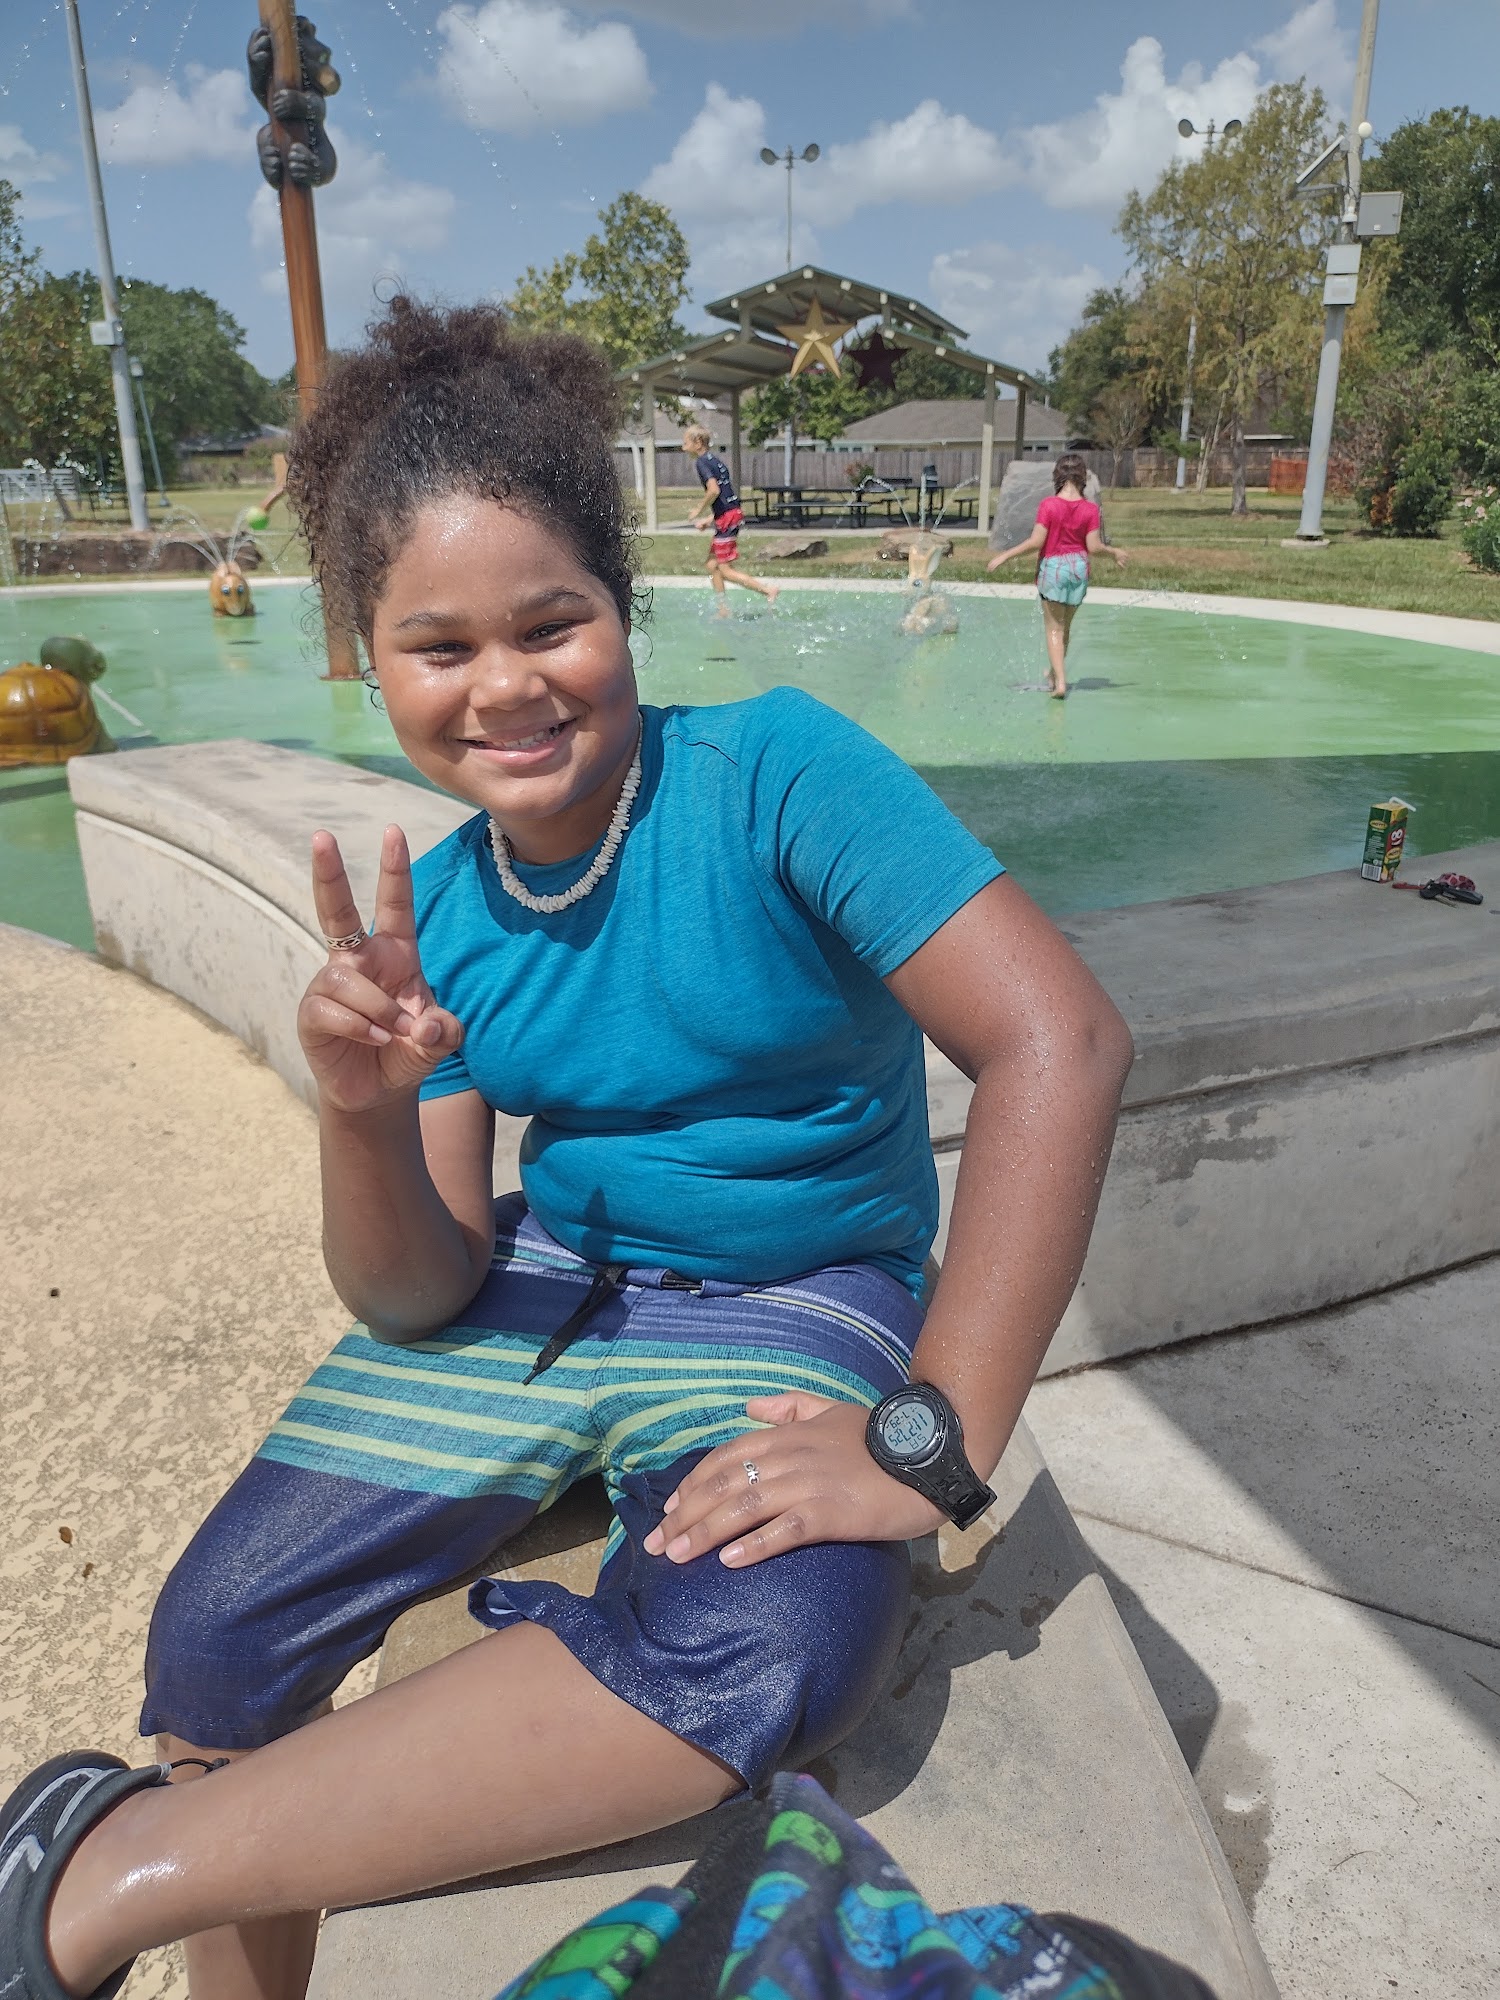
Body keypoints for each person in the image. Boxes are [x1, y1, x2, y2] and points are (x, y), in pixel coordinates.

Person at [0, 300, 1133, 2000]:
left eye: (554, 622)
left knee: (785, 1642)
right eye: (438, 646)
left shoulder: (774, 777)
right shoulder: (444, 919)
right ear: (366, 658)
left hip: (797, 1286)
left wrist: (927, 1439)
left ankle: (105, 1873)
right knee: (216, 1638)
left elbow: (1061, 1041)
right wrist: (361, 1111)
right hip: (553, 1285)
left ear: (626, 604)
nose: (508, 684)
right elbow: (417, 1287)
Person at [986, 452, 1127, 698]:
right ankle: (1054, 674)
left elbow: (1036, 542)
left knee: (1054, 629)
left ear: (1057, 476)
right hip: (1078, 569)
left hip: (1054, 570)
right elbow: (1094, 547)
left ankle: (1060, 683)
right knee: (1065, 628)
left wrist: (1005, 556)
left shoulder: (1049, 505)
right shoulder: (1090, 509)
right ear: (1083, 477)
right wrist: (1113, 552)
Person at [682, 422, 777, 612]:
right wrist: (710, 519)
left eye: (686, 443)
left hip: (728, 518)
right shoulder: (715, 461)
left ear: (698, 442)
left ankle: (768, 590)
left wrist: (698, 510)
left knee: (724, 569)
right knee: (712, 565)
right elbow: (727, 497)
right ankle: (723, 609)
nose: (683, 447)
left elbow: (714, 491)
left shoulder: (702, 462)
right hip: (729, 514)